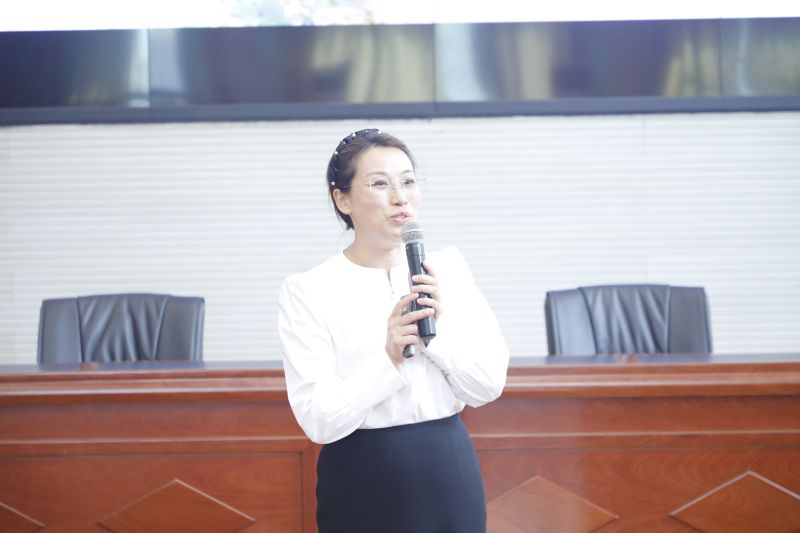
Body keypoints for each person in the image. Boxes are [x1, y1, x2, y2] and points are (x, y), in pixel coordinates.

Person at [278, 128, 510, 533]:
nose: (401, 197)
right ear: (342, 199)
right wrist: (388, 359)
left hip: (447, 468)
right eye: (380, 184)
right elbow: (319, 421)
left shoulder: (448, 269)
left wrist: (437, 337)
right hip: (361, 476)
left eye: (408, 181)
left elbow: (488, 386)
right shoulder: (308, 290)